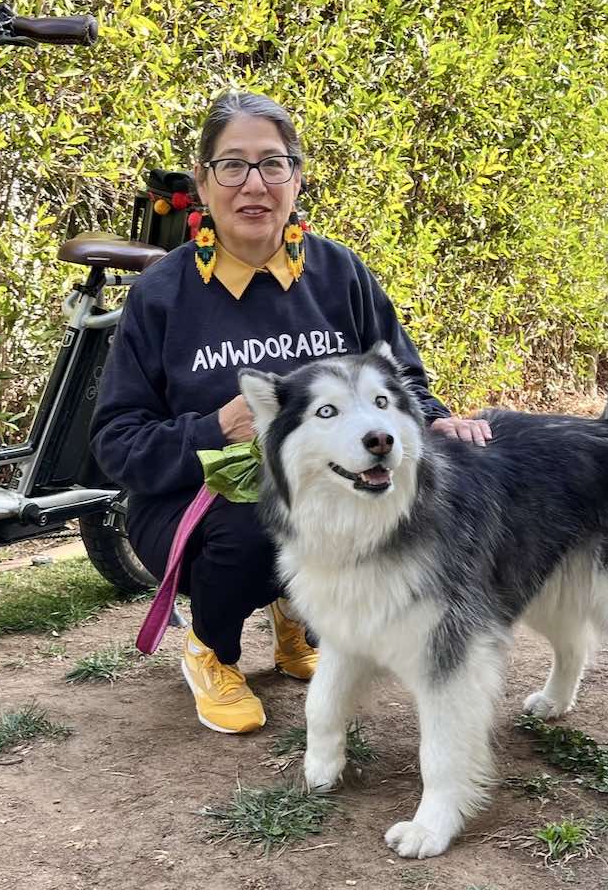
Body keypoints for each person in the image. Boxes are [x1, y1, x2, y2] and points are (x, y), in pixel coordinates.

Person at [90, 92, 491, 734]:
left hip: (324, 483)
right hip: (191, 502)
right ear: (203, 181)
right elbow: (116, 444)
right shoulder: (161, 294)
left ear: (297, 179)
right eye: (232, 166)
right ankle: (212, 649)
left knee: (397, 493)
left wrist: (437, 419)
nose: (254, 185)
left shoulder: (337, 272)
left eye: (272, 165)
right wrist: (216, 427)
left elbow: (400, 376)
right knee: (261, 524)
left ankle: (298, 620)